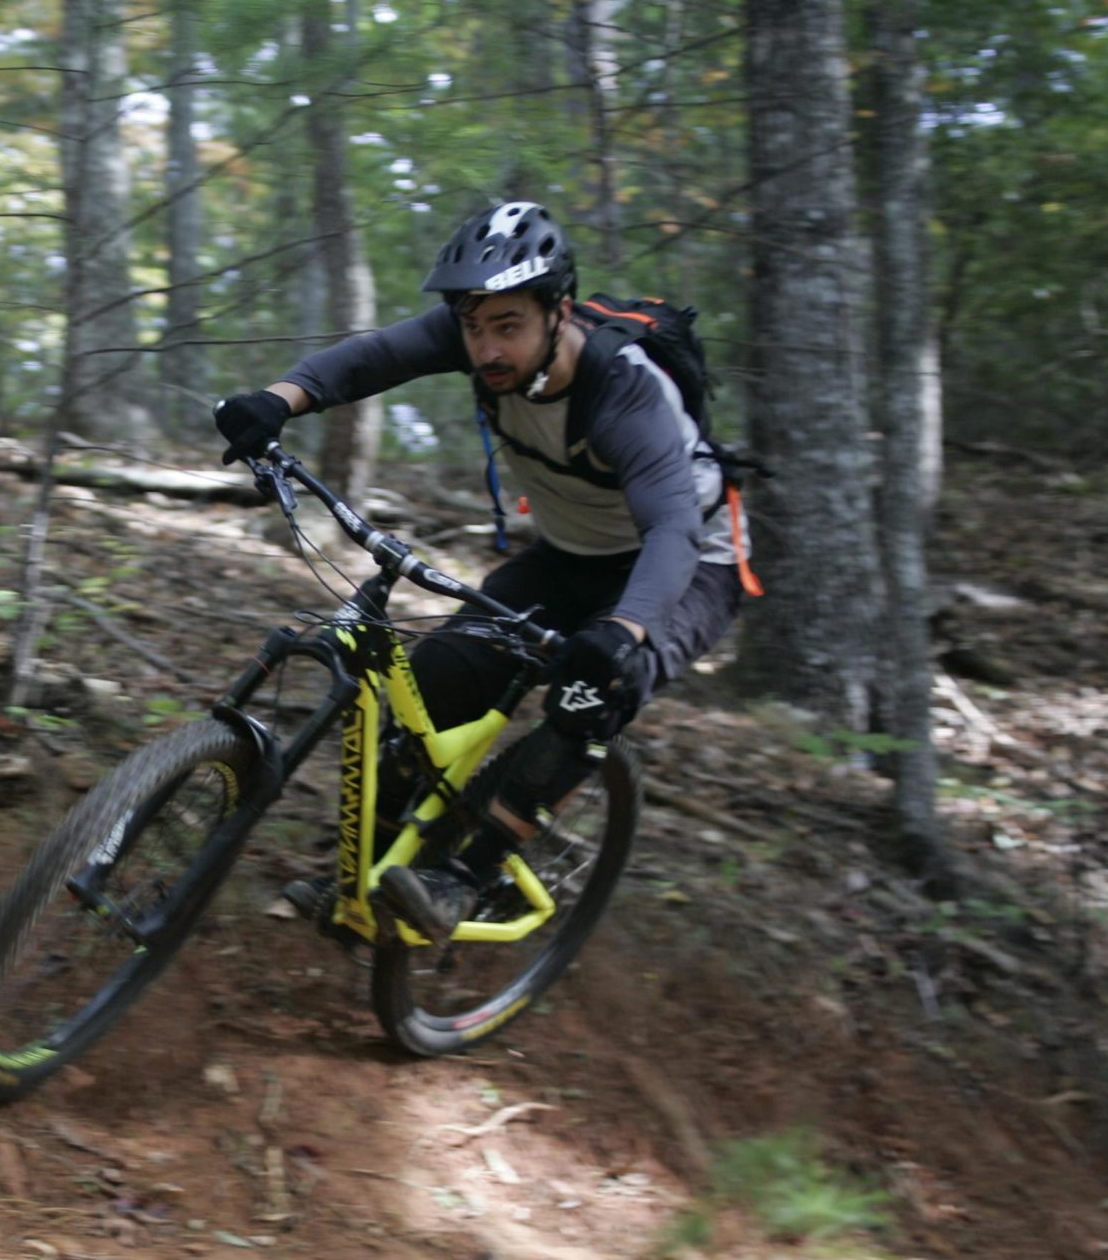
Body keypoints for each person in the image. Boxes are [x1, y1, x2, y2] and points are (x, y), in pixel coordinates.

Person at [212, 200, 748, 938]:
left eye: (509, 327)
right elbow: (370, 358)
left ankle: (467, 874)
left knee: (592, 693)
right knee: (435, 687)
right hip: (567, 554)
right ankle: (361, 882)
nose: (487, 347)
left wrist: (622, 631)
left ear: (557, 313)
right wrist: (276, 401)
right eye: (474, 326)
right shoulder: (475, 335)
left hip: (687, 564)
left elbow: (673, 529)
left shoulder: (621, 392)